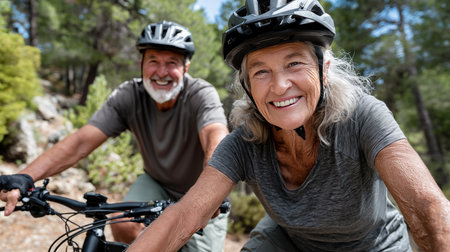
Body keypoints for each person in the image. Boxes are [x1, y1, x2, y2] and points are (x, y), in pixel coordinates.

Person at [126, 1, 450, 251]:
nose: (280, 86)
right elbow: (185, 215)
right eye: (261, 71)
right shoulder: (243, 143)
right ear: (247, 85)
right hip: (289, 242)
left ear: (324, 70)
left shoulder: (362, 116)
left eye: (294, 63)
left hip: (374, 244)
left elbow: (426, 207)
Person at [0, 21, 229, 251]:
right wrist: (26, 177)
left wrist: (210, 194)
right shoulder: (129, 95)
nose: (161, 72)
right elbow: (80, 142)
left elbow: (215, 137)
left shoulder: (201, 94)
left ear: (185, 68)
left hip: (203, 191)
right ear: (141, 64)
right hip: (156, 183)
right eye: (153, 61)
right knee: (123, 221)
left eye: (172, 63)